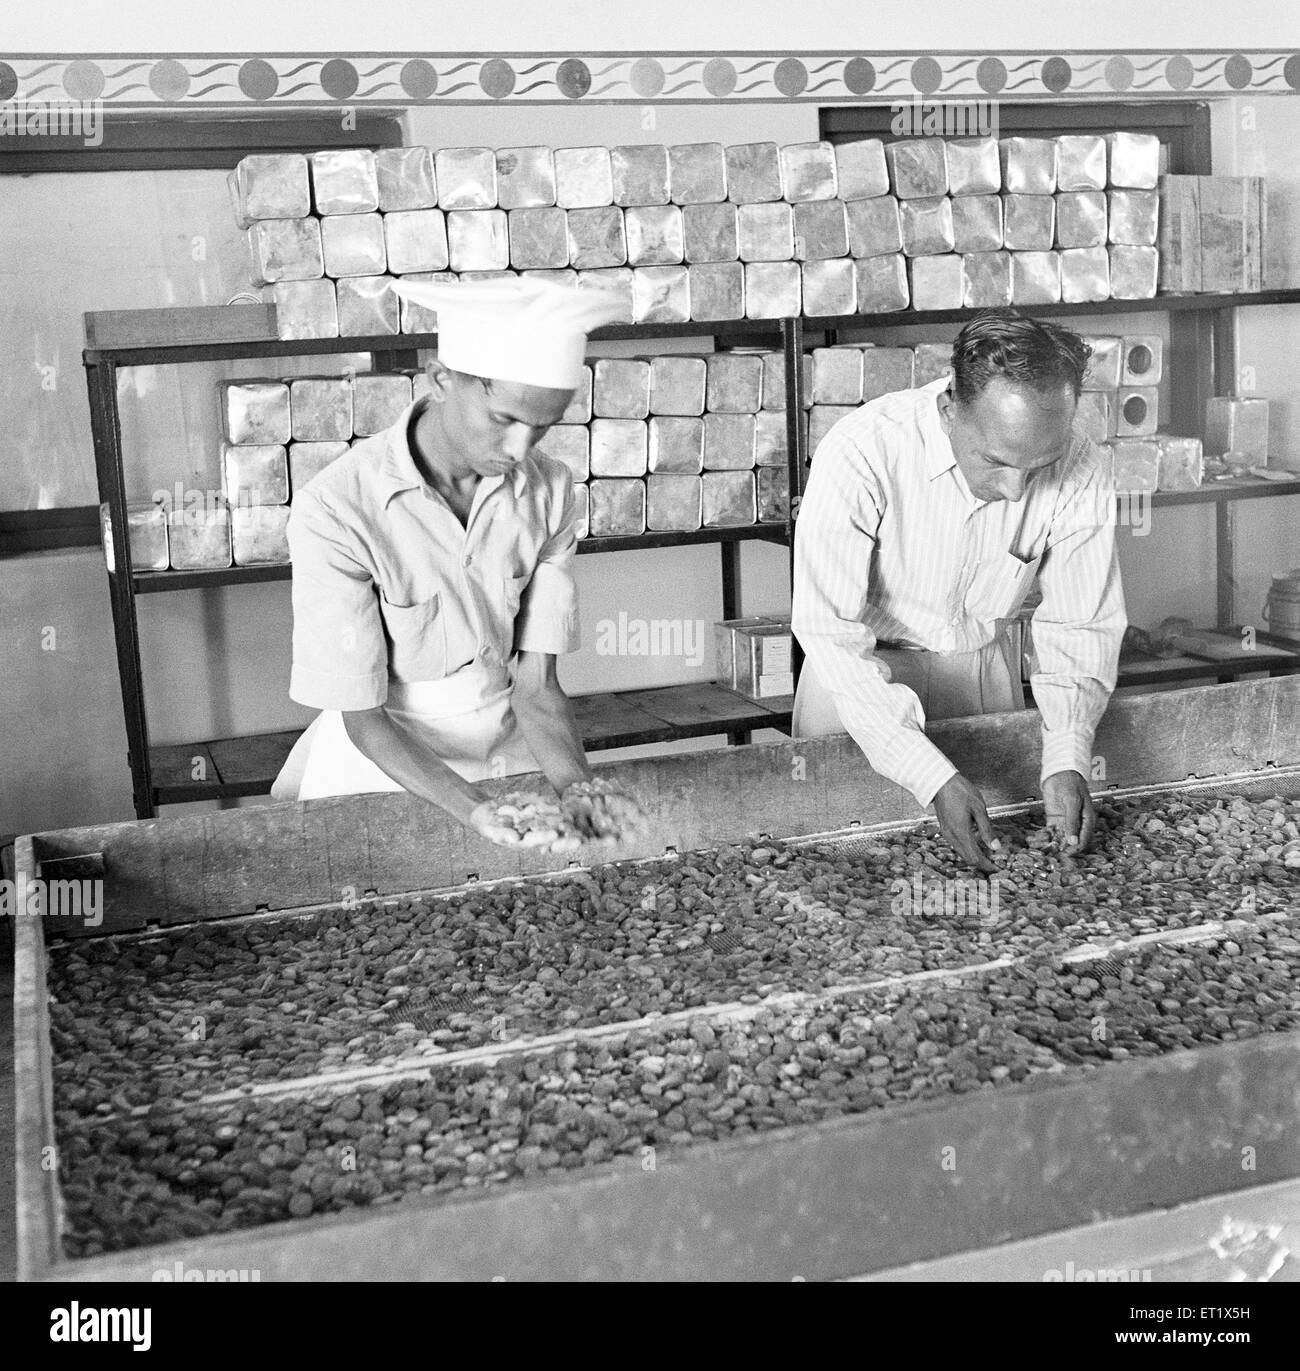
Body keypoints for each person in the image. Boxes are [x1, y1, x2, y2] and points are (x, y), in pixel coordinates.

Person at [271, 277, 637, 850]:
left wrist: (579, 791)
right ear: (442, 380)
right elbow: (364, 719)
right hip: (383, 759)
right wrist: (476, 811)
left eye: (542, 426)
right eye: (503, 419)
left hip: (505, 747)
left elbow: (536, 688)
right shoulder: (338, 508)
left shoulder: (549, 491)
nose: (520, 449)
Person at [791, 309, 1126, 871]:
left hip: (984, 673)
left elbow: (1079, 624)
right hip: (857, 683)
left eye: (1037, 466)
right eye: (995, 462)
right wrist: (930, 776)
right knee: (843, 875)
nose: (1016, 492)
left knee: (999, 884)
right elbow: (831, 635)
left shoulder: (1084, 466)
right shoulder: (862, 452)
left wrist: (1067, 752)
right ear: (950, 410)